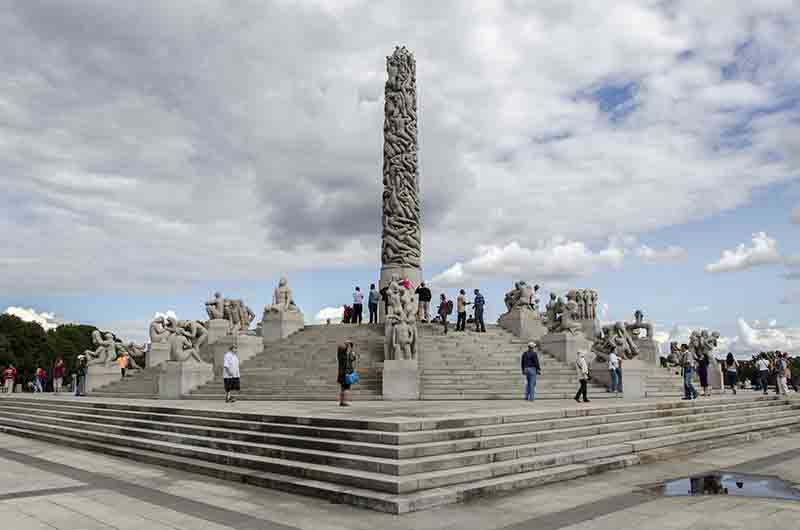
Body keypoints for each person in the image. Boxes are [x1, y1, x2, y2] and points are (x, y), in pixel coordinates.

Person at [337, 341, 357, 406]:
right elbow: (353, 359)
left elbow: (353, 358)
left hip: (341, 373)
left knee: (342, 388)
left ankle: (341, 401)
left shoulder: (340, 355)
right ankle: (345, 402)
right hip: (346, 373)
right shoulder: (347, 356)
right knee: (346, 388)